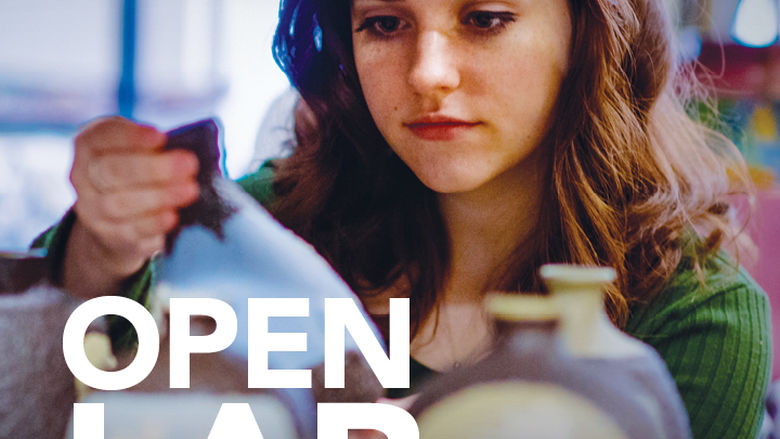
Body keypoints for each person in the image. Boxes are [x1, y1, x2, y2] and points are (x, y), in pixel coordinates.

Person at [33, 0, 771, 437]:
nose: (427, 73)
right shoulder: (270, 226)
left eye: (484, 18)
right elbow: (47, 380)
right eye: (386, 22)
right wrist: (104, 243)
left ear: (589, 32)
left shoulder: (698, 317)